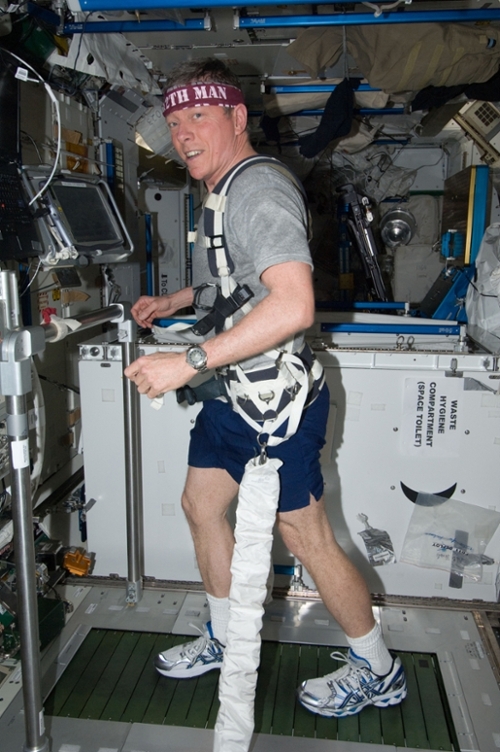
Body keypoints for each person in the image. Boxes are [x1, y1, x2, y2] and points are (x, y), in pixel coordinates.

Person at [124, 58, 406, 718]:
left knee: (306, 539)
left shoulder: (259, 192)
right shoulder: (220, 191)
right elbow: (236, 286)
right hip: (233, 397)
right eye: (173, 120)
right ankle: (224, 634)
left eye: (199, 115)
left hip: (277, 404)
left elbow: (292, 304)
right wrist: (177, 300)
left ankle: (379, 667)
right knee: (201, 505)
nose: (183, 132)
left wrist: (187, 359)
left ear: (237, 118)